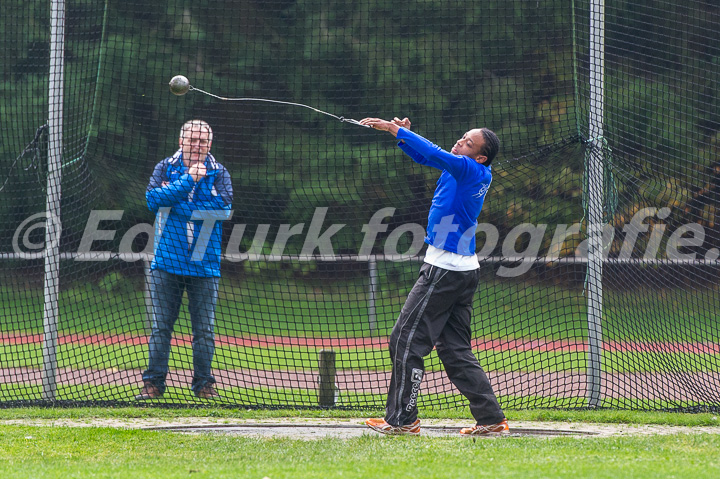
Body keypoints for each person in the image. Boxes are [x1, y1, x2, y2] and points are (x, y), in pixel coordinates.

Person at [360, 116, 507, 436]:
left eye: (468, 143)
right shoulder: (468, 169)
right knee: (454, 349)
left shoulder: (467, 168)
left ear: (480, 157)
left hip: (444, 271)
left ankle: (403, 419)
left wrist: (394, 129)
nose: (460, 142)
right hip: (463, 271)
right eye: (463, 136)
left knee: (405, 340)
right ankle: (491, 419)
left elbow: (436, 152)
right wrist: (405, 137)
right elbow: (426, 155)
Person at [136, 119, 233, 400]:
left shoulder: (219, 172)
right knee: (161, 328)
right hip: (166, 262)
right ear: (181, 140)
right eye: (192, 139)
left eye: (202, 141)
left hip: (205, 264)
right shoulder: (165, 167)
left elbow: (223, 209)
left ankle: (204, 385)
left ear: (209, 144)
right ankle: (153, 385)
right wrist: (188, 180)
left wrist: (178, 204)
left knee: (204, 331)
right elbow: (153, 200)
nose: (197, 145)